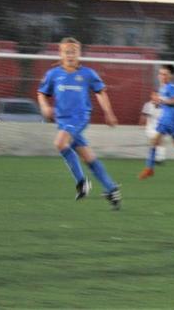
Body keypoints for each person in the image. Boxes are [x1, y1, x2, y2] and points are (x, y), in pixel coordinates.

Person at [37, 37, 122, 210]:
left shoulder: (88, 74)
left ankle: (82, 183)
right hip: (62, 120)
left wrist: (108, 112)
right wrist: (45, 107)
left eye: (74, 52)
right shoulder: (53, 74)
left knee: (60, 143)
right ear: (61, 54)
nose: (70, 55)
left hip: (79, 117)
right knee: (87, 157)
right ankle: (111, 189)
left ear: (79, 54)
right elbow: (41, 93)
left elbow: (101, 92)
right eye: (67, 52)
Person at [139, 99, 166, 164]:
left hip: (160, 127)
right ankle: (156, 158)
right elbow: (144, 115)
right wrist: (142, 123)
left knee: (160, 141)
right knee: (155, 141)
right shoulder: (148, 105)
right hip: (150, 128)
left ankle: (160, 158)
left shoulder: (164, 106)